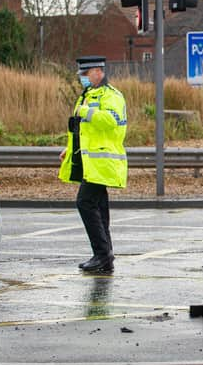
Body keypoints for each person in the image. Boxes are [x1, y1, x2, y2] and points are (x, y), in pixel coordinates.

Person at [58, 56, 127, 272]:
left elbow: (112, 121)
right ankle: (105, 256)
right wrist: (70, 150)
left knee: (85, 203)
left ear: (99, 71)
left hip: (103, 161)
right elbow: (82, 130)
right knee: (99, 207)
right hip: (91, 162)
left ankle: (102, 255)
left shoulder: (111, 95)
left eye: (85, 74)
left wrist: (88, 112)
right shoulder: (86, 95)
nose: (82, 79)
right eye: (81, 75)